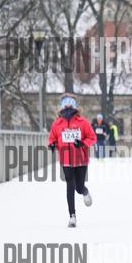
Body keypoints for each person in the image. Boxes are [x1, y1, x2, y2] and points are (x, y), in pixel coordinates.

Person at [47, 93, 97, 227]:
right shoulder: (57, 123)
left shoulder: (83, 122)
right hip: (66, 160)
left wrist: (82, 143)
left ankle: (84, 191)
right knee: (70, 185)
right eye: (65, 102)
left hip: (81, 159)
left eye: (70, 102)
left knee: (78, 188)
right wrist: (52, 145)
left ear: (75, 105)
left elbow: (92, 137)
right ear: (61, 106)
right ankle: (72, 216)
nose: (67, 105)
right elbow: (52, 138)